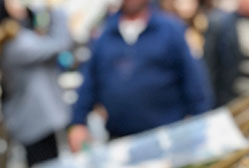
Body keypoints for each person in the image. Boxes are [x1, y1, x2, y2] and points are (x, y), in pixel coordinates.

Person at [68, 0, 214, 152]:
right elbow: (89, 83)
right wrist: (78, 123)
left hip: (168, 137)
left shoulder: (170, 30)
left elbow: (194, 80)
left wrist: (199, 122)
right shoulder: (104, 36)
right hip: (121, 140)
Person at [0, 0, 72, 167]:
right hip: (36, 123)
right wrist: (56, 10)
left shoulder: (6, 44)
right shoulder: (17, 45)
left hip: (29, 122)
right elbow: (59, 44)